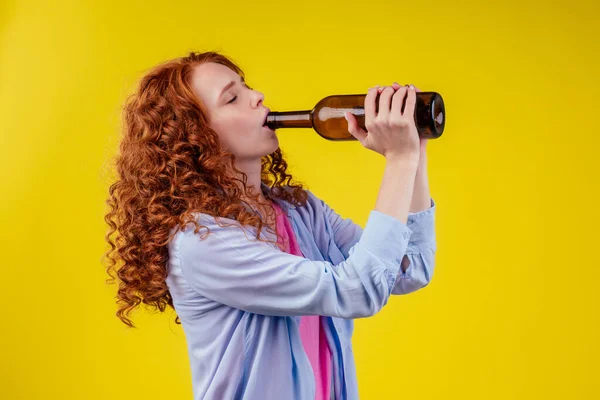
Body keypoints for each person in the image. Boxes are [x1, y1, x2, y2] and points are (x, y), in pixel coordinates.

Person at [104, 51, 437, 400]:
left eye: (246, 85)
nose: (257, 96)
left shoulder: (298, 210)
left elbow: (409, 269)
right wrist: (399, 159)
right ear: (196, 138)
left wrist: (416, 151)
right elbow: (357, 291)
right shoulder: (201, 243)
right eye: (232, 97)